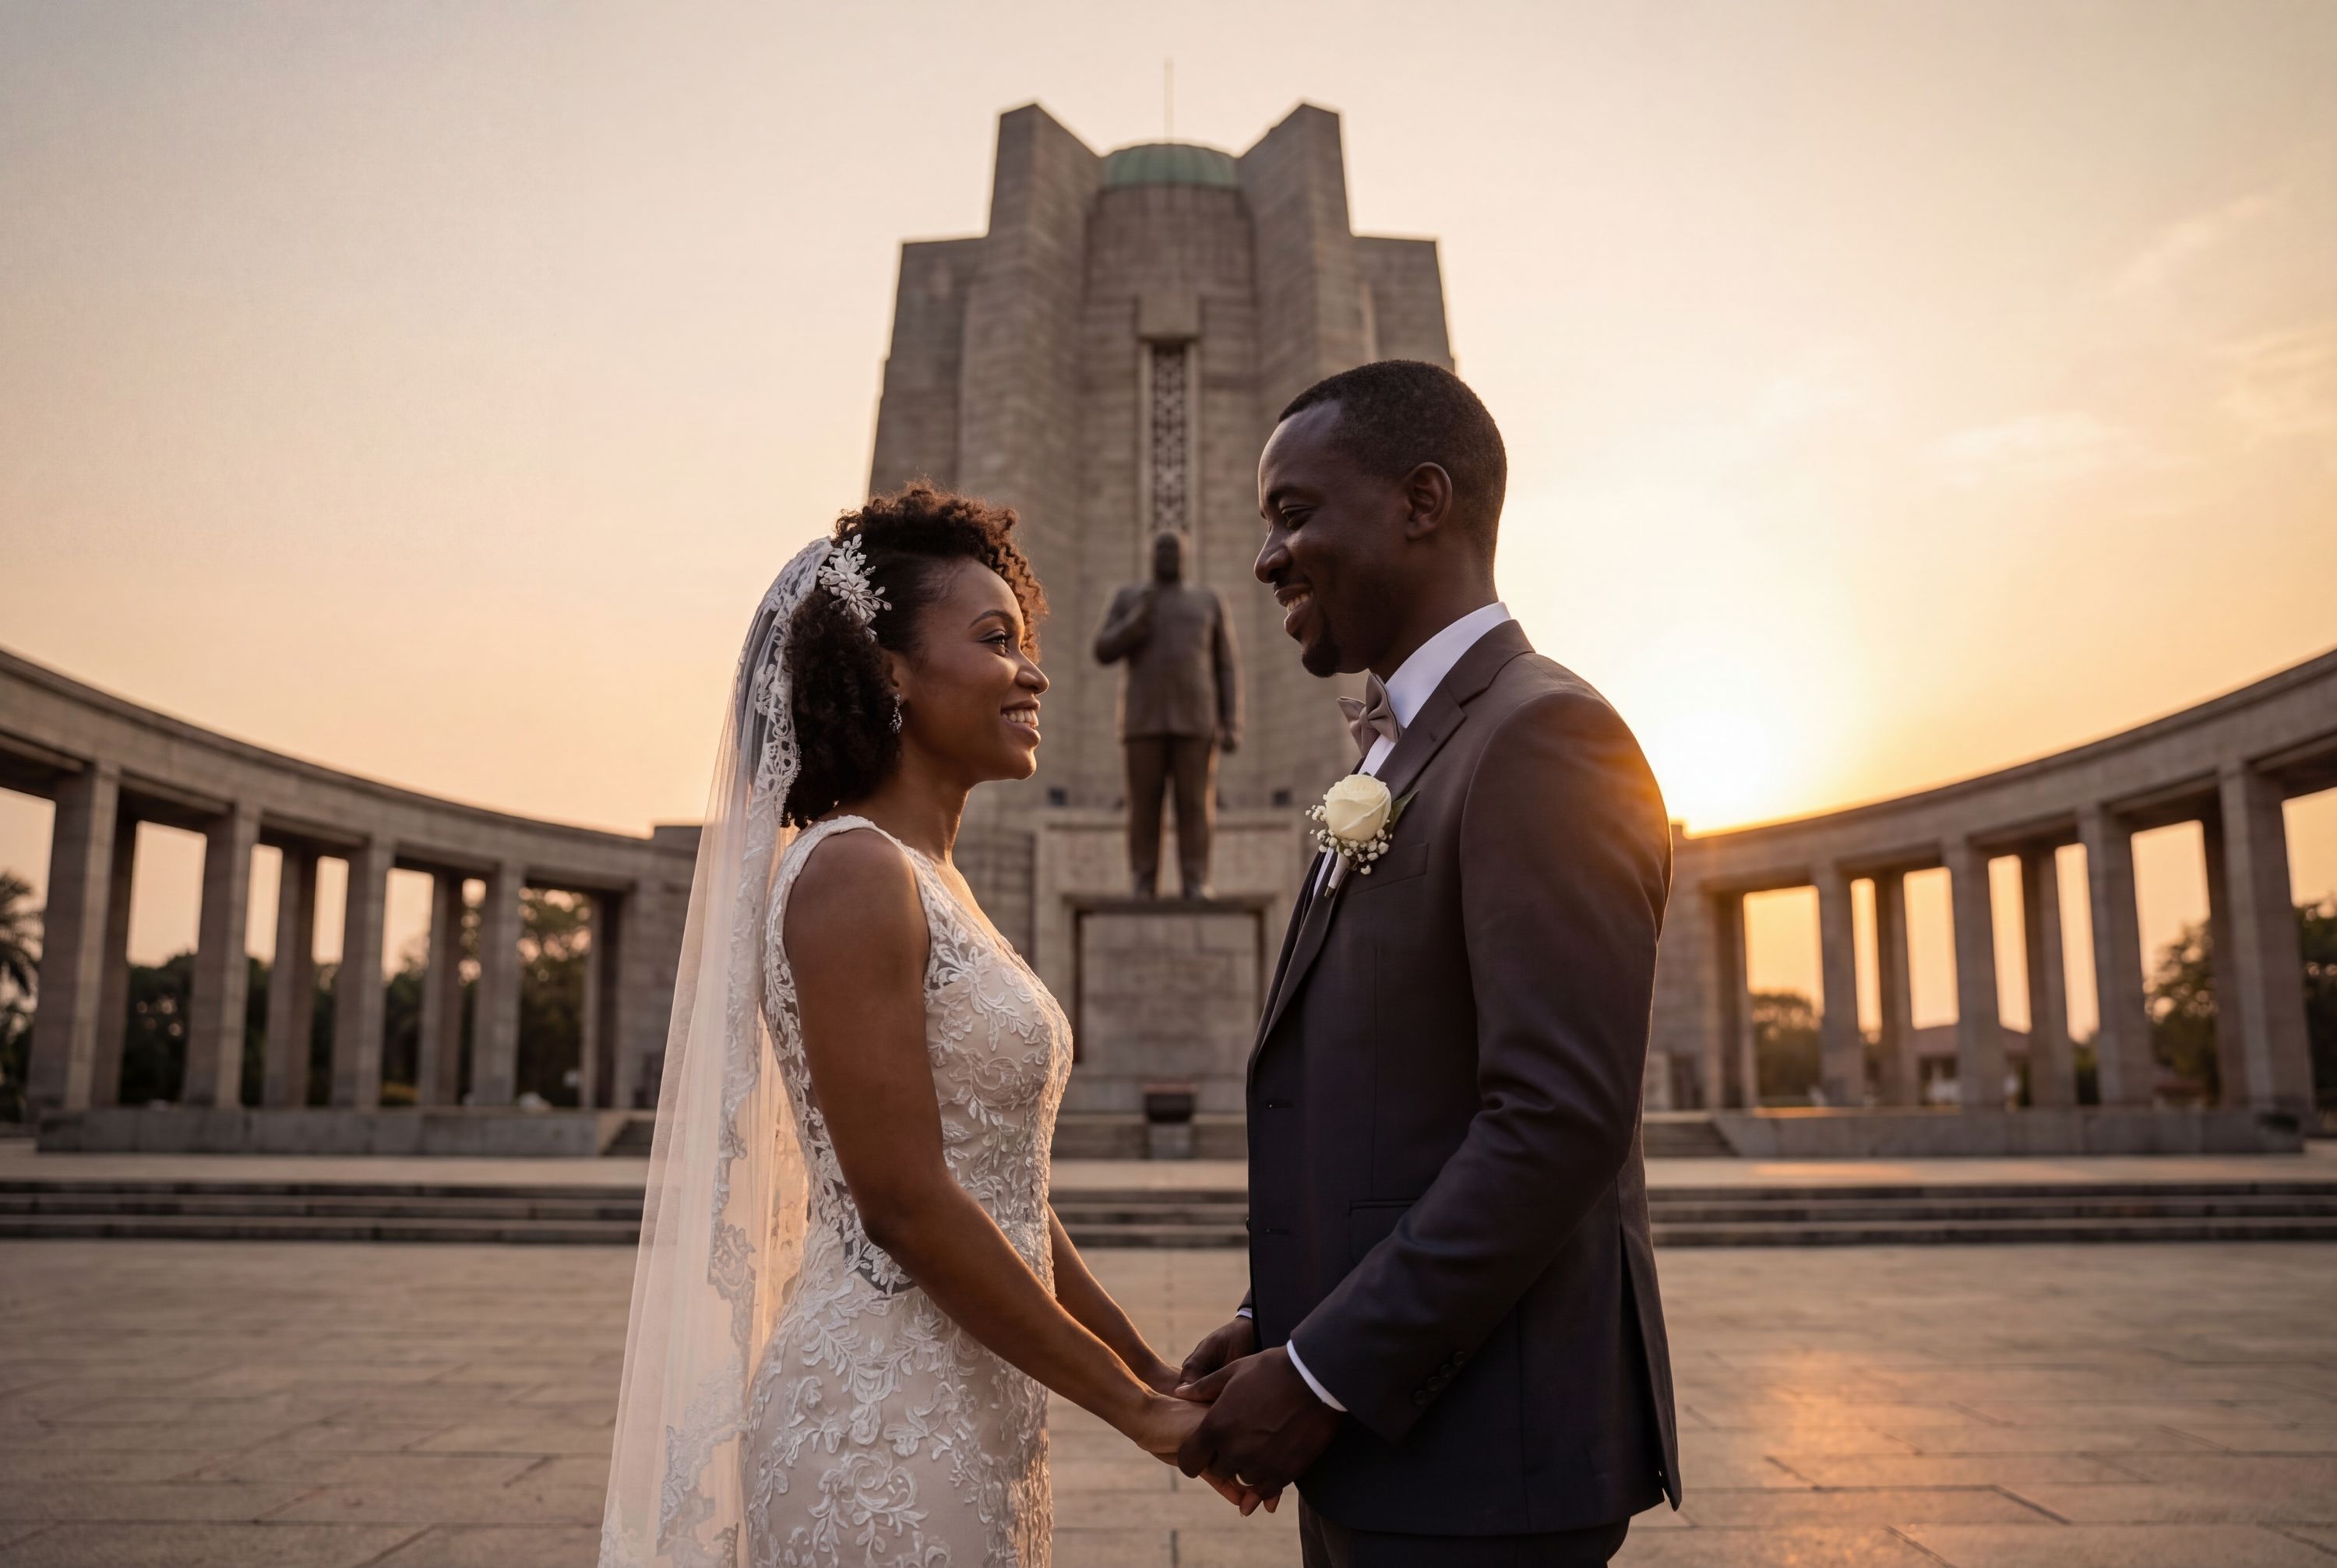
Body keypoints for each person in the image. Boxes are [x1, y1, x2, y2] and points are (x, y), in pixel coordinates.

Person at [597, 483, 1264, 1568]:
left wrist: (1155, 1372)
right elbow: (906, 1199)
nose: (1035, 671)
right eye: (998, 639)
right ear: (892, 670)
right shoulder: (853, 867)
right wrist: (1138, 1416)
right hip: (880, 1418)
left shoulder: (928, 876)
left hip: (977, 1405)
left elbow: (1002, 1194)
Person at [1174, 361, 1683, 1566]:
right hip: (1391, 1445)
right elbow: (1398, 1102)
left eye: (1295, 513)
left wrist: (1319, 1367)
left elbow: (1555, 1120)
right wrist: (1278, 1316)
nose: (1267, 558)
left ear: (1422, 501)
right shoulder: (1408, 752)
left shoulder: (1542, 734)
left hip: (1480, 1464)